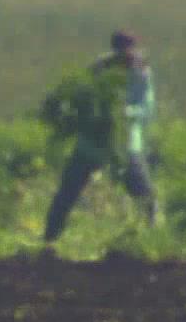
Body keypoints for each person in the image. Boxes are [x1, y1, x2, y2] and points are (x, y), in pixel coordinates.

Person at [44, 30, 162, 241]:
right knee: (67, 192)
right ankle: (49, 239)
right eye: (119, 52)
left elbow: (145, 108)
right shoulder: (98, 69)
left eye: (127, 52)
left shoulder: (141, 73)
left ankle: (155, 238)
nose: (124, 56)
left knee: (144, 195)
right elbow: (83, 98)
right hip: (91, 143)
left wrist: (121, 112)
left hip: (124, 143)